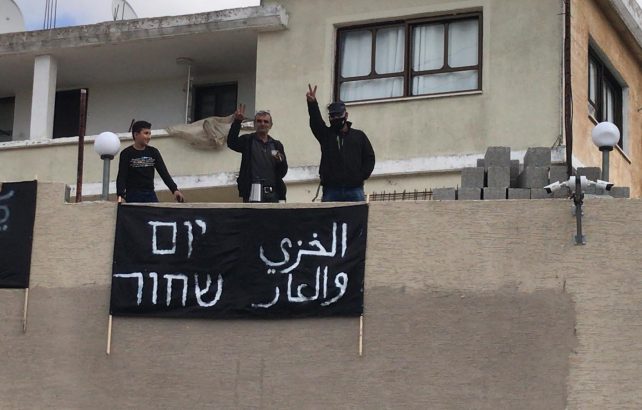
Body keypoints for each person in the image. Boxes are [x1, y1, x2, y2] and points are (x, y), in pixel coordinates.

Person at [306, 84, 375, 202]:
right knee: (329, 215)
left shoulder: (359, 136)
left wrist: (360, 176)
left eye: (338, 115)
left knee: (357, 214)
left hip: (355, 189)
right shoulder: (326, 135)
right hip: (331, 189)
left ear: (346, 115)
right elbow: (316, 122)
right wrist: (312, 104)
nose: (335, 118)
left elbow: (369, 158)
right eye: (332, 116)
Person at [227, 104, 288, 203]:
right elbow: (231, 143)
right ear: (254, 124)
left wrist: (281, 161)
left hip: (273, 194)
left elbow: (282, 172)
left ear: (270, 125)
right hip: (252, 192)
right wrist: (237, 121)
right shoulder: (247, 140)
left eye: (266, 121)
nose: (262, 124)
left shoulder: (276, 145)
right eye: (259, 121)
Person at [116, 120, 185, 203]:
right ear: (136, 134)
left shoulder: (153, 152)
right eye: (146, 133)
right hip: (133, 195)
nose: (148, 137)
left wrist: (174, 190)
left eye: (149, 133)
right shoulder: (126, 153)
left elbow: (164, 173)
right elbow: (122, 176)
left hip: (150, 194)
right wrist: (120, 196)